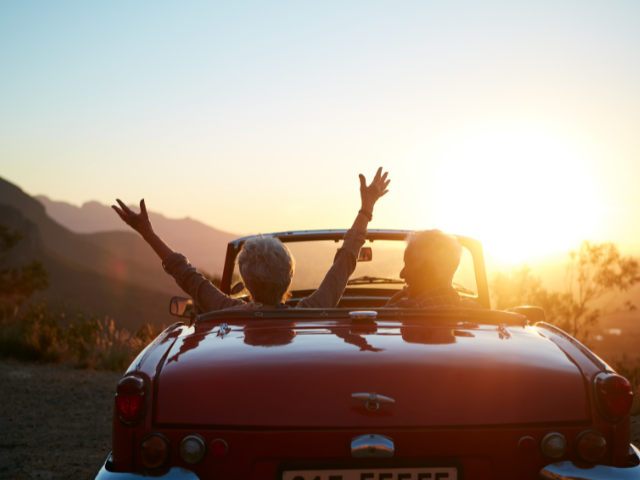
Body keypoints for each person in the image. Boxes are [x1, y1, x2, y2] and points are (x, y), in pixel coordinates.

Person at [112, 168, 390, 311]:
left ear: (245, 282)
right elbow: (345, 262)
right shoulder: (312, 310)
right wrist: (366, 209)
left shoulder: (227, 310)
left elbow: (185, 273)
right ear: (289, 276)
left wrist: (148, 234)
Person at [385, 229, 481, 309]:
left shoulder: (399, 310)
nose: (402, 274)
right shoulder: (473, 310)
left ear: (426, 271)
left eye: (408, 265)